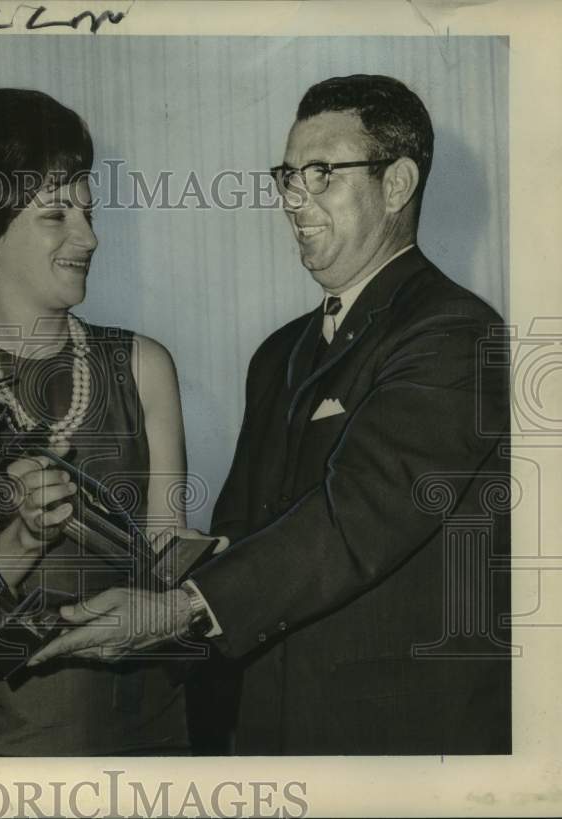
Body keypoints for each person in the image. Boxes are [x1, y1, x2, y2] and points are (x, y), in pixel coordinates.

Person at [31, 74, 511, 755]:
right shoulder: (280, 353)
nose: (293, 199)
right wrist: (136, 575)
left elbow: (357, 514)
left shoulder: (457, 336)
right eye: (287, 175)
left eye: (322, 174)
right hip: (277, 736)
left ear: (397, 185)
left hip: (404, 743)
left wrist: (180, 606)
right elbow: (242, 530)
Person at [0, 88, 191, 755]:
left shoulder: (145, 365)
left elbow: (168, 560)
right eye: (57, 214)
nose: (88, 237)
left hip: (147, 724)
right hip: (3, 738)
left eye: (87, 212)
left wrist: (197, 571)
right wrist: (26, 537)